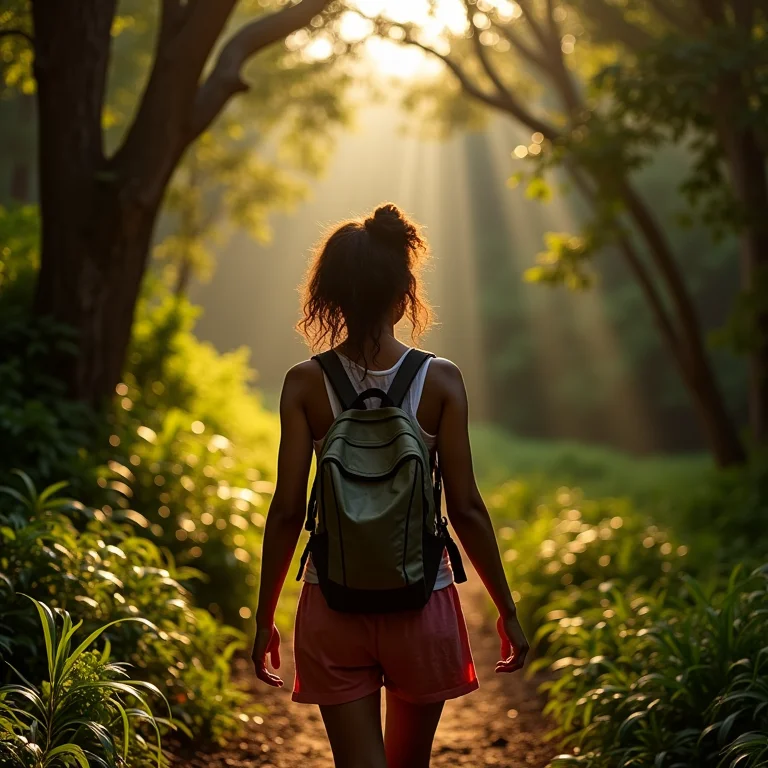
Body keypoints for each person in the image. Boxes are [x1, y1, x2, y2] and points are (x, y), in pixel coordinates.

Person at [251, 203, 529, 768]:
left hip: (333, 601)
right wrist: (507, 609)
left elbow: (285, 512)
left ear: (329, 293)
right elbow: (467, 508)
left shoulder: (304, 384)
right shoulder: (441, 379)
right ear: (404, 291)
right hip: (422, 598)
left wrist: (263, 622)